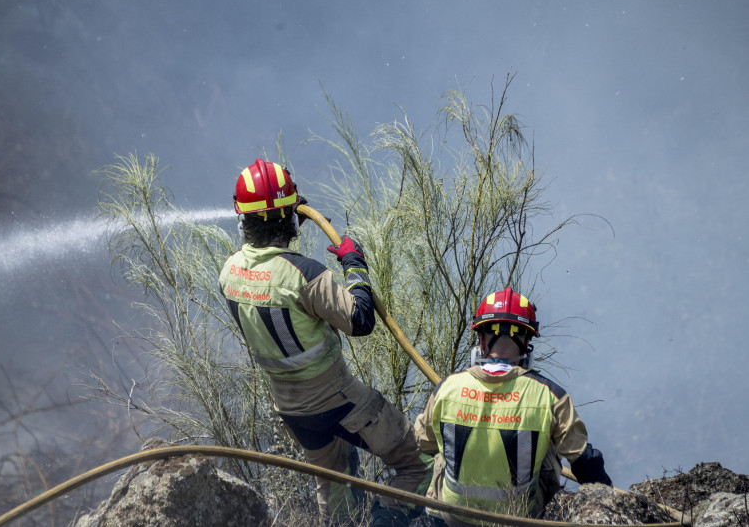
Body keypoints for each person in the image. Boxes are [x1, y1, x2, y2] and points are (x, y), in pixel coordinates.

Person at [218, 159, 430, 527]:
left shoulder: (229, 272)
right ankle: (388, 520)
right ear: (289, 215)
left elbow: (269, 280)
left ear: (243, 219)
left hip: (292, 411)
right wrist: (354, 264)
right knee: (419, 462)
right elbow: (360, 320)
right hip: (339, 399)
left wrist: (285, 224)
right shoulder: (304, 274)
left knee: (335, 490)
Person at [413, 287, 612, 527]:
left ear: (481, 339)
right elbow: (584, 460)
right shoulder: (550, 396)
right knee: (549, 444)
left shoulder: (446, 389)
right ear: (527, 341)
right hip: (519, 517)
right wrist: (610, 501)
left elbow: (423, 443)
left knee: (441, 446)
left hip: (452, 516)